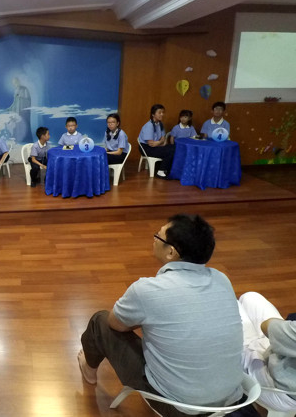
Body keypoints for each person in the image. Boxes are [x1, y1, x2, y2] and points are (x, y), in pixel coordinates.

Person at [79, 214, 244, 417]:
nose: (154, 238)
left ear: (171, 252)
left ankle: (88, 369)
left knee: (100, 321)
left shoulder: (147, 290)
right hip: (231, 400)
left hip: (180, 408)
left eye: (158, 236)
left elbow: (115, 324)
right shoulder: (222, 279)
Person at [238, 291, 296, 412]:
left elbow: (266, 327)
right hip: (280, 358)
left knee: (228, 303)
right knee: (250, 297)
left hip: (278, 387)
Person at [138, 104, 175, 178]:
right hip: (146, 148)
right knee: (170, 150)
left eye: (163, 112)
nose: (162, 114)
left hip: (156, 146)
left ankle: (164, 169)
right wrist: (160, 142)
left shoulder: (160, 124)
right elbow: (151, 144)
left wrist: (159, 143)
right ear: (153, 114)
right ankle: (161, 171)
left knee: (173, 147)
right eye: (159, 112)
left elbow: (163, 139)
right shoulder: (149, 125)